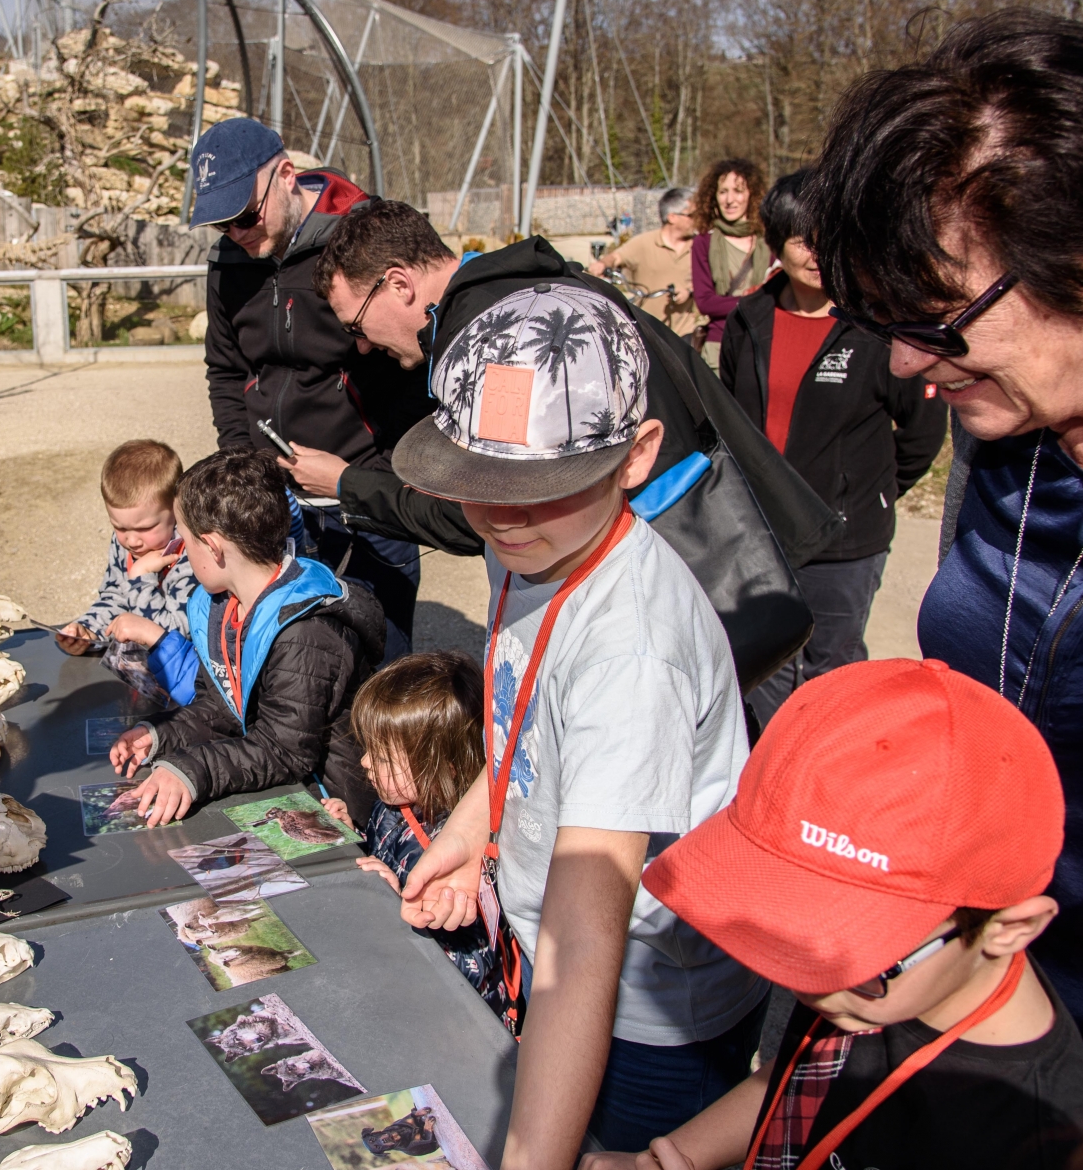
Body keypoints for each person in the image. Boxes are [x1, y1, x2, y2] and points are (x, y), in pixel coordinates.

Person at [805, 8, 1083, 1115]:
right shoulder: (1007, 411)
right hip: (998, 1016)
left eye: (937, 321)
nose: (904, 362)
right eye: (879, 319)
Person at [390, 285, 767, 1161]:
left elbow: (589, 931)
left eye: (539, 488)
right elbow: (530, 715)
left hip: (642, 1007)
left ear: (635, 456)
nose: (504, 515)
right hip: (561, 961)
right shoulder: (535, 538)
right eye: (479, 486)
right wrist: (472, 823)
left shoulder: (633, 653)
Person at [589, 658, 1083, 1170]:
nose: (802, 985)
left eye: (853, 955)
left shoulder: (1043, 1146)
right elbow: (809, 1080)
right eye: (787, 929)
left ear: (1009, 929)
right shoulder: (881, 990)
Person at [305, 198, 840, 641]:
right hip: (721, 535)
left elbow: (491, 510)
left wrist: (346, 484)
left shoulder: (496, 336)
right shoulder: (537, 282)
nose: (362, 344)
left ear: (399, 284)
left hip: (655, 580)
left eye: (357, 323)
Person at [192, 117, 433, 645]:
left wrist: (377, 476)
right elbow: (228, 370)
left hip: (363, 491)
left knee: (377, 661)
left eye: (245, 214)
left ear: (285, 175)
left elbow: (414, 358)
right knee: (294, 664)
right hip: (275, 499)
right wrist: (242, 465)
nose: (236, 232)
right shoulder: (230, 261)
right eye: (221, 224)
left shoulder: (361, 237)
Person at [719, 170, 946, 726]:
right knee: (762, 663)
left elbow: (921, 432)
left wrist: (866, 494)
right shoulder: (749, 319)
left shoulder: (876, 325)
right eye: (802, 239)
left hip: (846, 542)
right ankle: (766, 779)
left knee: (833, 669)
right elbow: (726, 419)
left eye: (830, 237)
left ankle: (829, 789)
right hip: (763, 533)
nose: (817, 253)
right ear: (776, 243)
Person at [107, 450, 385, 829]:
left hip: (331, 807)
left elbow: (285, 750)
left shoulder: (306, 634)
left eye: (186, 542)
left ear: (213, 547)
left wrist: (191, 768)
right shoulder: (223, 605)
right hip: (279, 788)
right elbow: (220, 706)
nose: (182, 554)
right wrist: (159, 734)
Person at [317, 651, 516, 1025]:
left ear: (445, 766)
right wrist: (352, 835)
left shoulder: (469, 861)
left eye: (382, 757)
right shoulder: (395, 807)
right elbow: (385, 856)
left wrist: (393, 903)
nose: (364, 763)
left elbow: (473, 969)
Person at [55, 439, 198, 662]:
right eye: (119, 527)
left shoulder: (193, 555)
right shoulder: (126, 544)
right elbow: (116, 596)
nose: (131, 541)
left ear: (176, 508)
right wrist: (89, 631)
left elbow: (173, 636)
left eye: (145, 528)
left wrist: (141, 578)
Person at [689, 158, 773, 371]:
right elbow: (706, 302)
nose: (730, 199)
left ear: (752, 194)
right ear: (713, 197)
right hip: (719, 344)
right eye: (723, 192)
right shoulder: (703, 242)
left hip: (764, 341)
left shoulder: (770, 241)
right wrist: (755, 300)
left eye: (738, 191)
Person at [587, 187, 702, 338]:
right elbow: (615, 257)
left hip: (684, 332)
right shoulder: (644, 242)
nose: (699, 219)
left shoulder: (699, 246)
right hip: (648, 330)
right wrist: (602, 264)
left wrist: (690, 291)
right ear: (672, 217)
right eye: (692, 215)